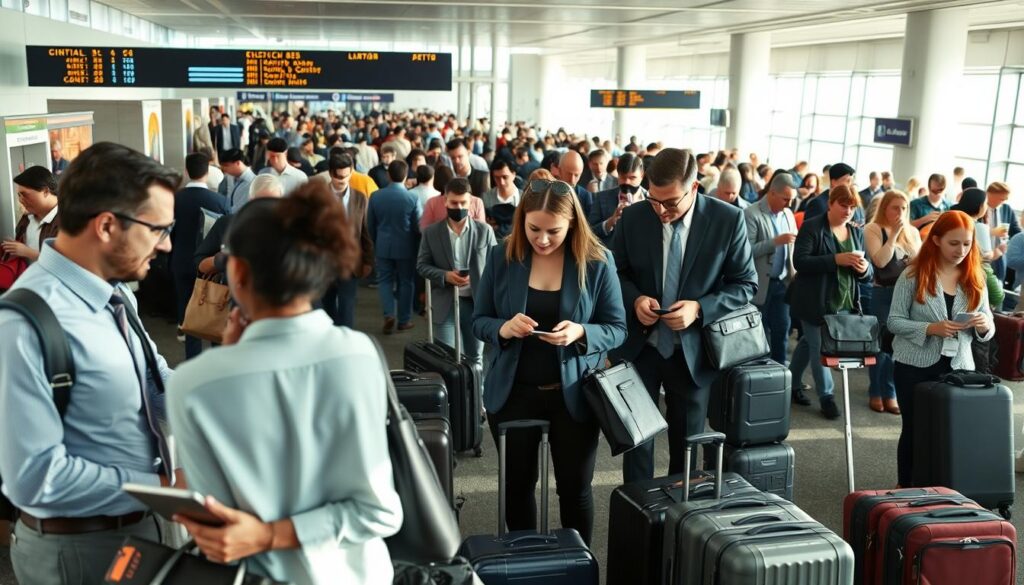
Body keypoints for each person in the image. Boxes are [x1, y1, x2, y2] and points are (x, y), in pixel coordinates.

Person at [168, 183, 403, 584]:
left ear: (237, 271)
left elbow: (212, 519)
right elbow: (378, 512)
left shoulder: (191, 383)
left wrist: (227, 360)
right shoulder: (358, 354)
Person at [0, 142, 180, 585]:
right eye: (158, 229)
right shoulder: (23, 323)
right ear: (106, 226)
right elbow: (34, 477)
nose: (167, 244)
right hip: (80, 551)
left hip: (144, 528)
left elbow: (156, 386)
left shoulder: (115, 296)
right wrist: (163, 491)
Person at [472, 178, 626, 546]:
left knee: (574, 489)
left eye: (553, 231)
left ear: (572, 223)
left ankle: (579, 565)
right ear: (522, 220)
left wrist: (582, 332)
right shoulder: (501, 256)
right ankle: (527, 565)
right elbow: (478, 321)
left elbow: (618, 329)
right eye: (533, 229)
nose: (541, 240)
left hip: (573, 395)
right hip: (514, 393)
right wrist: (504, 328)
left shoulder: (597, 262)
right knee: (517, 487)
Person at [611, 148, 757, 482]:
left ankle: (678, 525)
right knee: (637, 444)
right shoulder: (634, 217)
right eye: (654, 200)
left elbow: (745, 285)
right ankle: (638, 518)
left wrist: (700, 308)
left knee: (687, 450)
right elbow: (613, 272)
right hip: (640, 348)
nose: (661, 210)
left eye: (671, 202)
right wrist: (634, 300)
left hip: (692, 351)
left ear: (694, 189)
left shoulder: (727, 220)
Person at [888, 210, 994, 488]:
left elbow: (988, 326)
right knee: (914, 429)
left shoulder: (974, 277)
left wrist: (983, 324)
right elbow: (893, 321)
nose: (961, 250)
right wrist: (929, 329)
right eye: (953, 243)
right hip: (914, 364)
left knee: (951, 430)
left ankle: (944, 488)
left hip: (958, 366)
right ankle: (906, 486)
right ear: (935, 240)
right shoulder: (913, 274)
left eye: (967, 243)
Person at [787, 184, 874, 419]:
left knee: (808, 344)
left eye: (852, 207)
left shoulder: (856, 231)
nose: (848, 211)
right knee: (820, 349)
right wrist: (835, 259)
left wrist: (864, 269)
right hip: (814, 301)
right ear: (830, 204)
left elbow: (868, 273)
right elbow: (801, 262)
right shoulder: (812, 226)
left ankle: (790, 382)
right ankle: (827, 397)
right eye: (843, 205)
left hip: (844, 302)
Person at [418, 178, 498, 372]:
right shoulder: (431, 233)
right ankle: (455, 401)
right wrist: (445, 276)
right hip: (444, 301)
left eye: (463, 203)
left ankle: (477, 400)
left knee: (475, 357)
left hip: (476, 302)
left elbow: (497, 266)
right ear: (445, 201)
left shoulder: (484, 231)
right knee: (448, 360)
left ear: (470, 203)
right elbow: (421, 265)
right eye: (454, 203)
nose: (459, 207)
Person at [863, 190, 921, 414]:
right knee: (880, 346)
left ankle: (890, 392)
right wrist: (895, 234)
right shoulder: (873, 228)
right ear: (885, 208)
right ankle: (875, 391)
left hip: (907, 294)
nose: (900, 212)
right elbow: (879, 260)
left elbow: (920, 262)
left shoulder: (913, 232)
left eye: (904, 208)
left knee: (898, 346)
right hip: (883, 293)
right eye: (895, 207)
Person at [172, 153, 230, 359]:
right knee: (215, 308)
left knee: (188, 312)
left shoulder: (175, 199)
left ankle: (192, 360)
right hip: (210, 266)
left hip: (180, 260)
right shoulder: (219, 201)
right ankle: (216, 360)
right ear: (207, 172)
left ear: (186, 171)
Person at [744, 171, 798, 365]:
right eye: (786, 199)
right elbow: (746, 251)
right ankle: (760, 374)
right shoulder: (752, 213)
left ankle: (781, 374)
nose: (789, 204)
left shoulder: (789, 214)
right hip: (760, 285)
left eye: (791, 199)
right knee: (759, 332)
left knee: (782, 331)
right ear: (772, 193)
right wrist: (775, 242)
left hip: (783, 283)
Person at [367, 160, 422, 333]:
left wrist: (376, 242)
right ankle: (404, 320)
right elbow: (417, 226)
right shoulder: (412, 197)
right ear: (406, 176)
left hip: (383, 245)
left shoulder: (376, 196)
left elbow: (370, 224)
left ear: (388, 175)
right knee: (406, 282)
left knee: (384, 281)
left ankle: (389, 313)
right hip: (406, 247)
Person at [320, 153, 373, 328]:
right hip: (325, 262)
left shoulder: (360, 198)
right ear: (330, 173)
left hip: (350, 262)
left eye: (346, 176)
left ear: (351, 172)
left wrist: (368, 261)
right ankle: (334, 333)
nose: (342, 180)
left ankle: (345, 338)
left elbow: (366, 231)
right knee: (326, 305)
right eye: (338, 176)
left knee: (347, 306)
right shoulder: (318, 197)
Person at [2, 166, 59, 263]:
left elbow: (67, 263)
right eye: (19, 195)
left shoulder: (69, 220)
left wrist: (27, 252)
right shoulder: (27, 217)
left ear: (45, 191)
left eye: (25, 195)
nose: (21, 200)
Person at [588, 153, 646, 246]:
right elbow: (589, 231)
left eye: (632, 178)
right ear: (617, 175)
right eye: (623, 177)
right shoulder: (601, 197)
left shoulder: (652, 200)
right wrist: (611, 221)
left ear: (642, 175)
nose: (627, 182)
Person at [984, 181, 1020, 283]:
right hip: (984, 256)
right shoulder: (979, 208)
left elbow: (1016, 231)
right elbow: (972, 230)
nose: (1004, 201)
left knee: (998, 286)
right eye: (1002, 199)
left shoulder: (1006, 209)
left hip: (1000, 256)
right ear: (989, 195)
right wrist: (991, 232)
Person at [219, 148, 257, 213]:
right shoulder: (230, 177)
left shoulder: (252, 183)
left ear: (238, 163)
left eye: (226, 165)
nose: (224, 169)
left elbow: (240, 208)